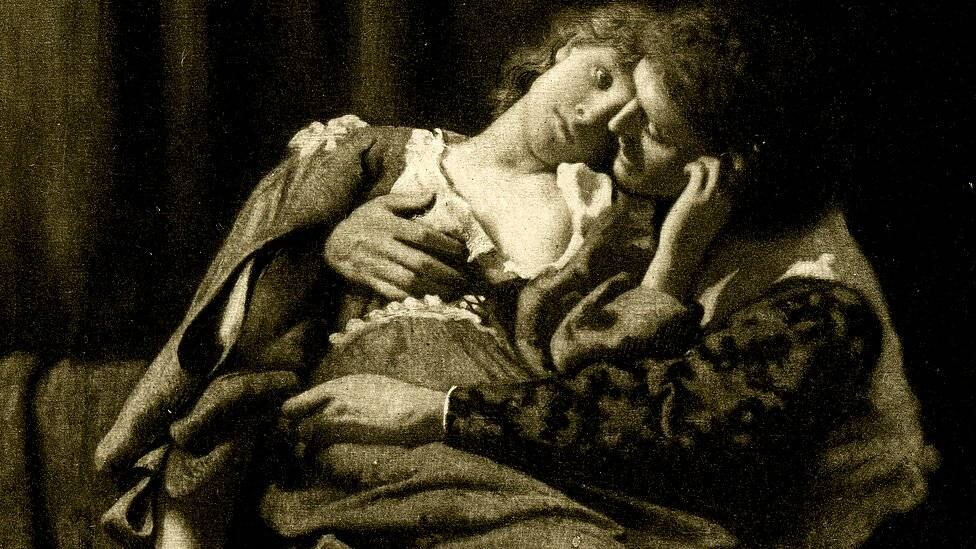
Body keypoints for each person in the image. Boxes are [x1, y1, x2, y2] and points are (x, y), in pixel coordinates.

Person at [278, 4, 938, 547]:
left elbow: (656, 423)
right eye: (617, 88)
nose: (613, 122)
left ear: (723, 168)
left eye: (650, 124)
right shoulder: (649, 208)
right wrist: (336, 234)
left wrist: (439, 411)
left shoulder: (817, 300)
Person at [94, 3, 658, 547]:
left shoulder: (591, 213)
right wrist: (327, 245)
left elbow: (582, 359)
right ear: (567, 49)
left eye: (620, 124)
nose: (590, 114)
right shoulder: (374, 152)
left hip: (481, 432)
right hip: (356, 420)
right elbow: (255, 300)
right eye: (601, 78)